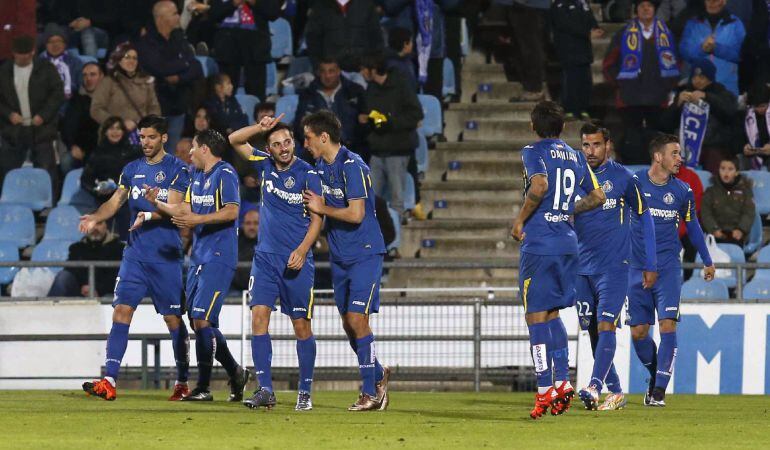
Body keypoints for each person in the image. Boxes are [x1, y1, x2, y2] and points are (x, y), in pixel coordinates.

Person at [79, 115, 191, 402]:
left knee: (173, 319)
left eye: (151, 137)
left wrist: (153, 208)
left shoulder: (178, 169)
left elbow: (178, 209)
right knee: (121, 310)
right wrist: (95, 216)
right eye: (142, 137)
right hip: (135, 255)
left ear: (164, 137)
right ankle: (109, 380)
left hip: (165, 256)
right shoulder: (131, 169)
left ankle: (182, 381)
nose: (145, 142)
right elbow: (116, 201)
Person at [510, 101, 606, 419]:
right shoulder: (576, 156)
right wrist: (569, 211)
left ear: (533, 126)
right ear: (563, 127)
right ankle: (563, 382)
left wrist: (521, 220)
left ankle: (543, 390)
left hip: (540, 245)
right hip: (568, 245)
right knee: (552, 315)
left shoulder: (532, 151)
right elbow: (597, 195)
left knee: (535, 317)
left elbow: (539, 184)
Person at [143, 128, 250, 402]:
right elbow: (185, 212)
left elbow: (232, 210)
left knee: (202, 319)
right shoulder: (197, 178)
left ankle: (203, 387)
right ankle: (236, 372)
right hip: (198, 257)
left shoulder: (225, 174)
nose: (189, 153)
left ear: (205, 149)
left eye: (192, 147)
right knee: (199, 321)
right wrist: (159, 203)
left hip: (219, 257)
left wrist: (197, 222)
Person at [229, 119, 323, 411]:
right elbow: (234, 139)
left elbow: (319, 217)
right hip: (265, 260)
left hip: (297, 261)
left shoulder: (308, 174)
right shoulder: (264, 164)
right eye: (276, 144)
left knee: (301, 326)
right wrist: (259, 127)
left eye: (287, 142)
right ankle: (265, 389)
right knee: (259, 318)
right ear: (268, 149)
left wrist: (303, 249)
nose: (283, 148)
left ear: (293, 143)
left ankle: (304, 392)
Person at [300, 110, 391, 411]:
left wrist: (322, 207)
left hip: (364, 252)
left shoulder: (353, 166)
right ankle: (378, 375)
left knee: (356, 319)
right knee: (349, 325)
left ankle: (370, 392)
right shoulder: (319, 167)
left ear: (323, 137)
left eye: (309, 137)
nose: (305, 143)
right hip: (340, 255)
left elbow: (356, 213)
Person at [573, 123, 658, 411]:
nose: (591, 151)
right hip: (581, 269)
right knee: (594, 332)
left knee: (607, 324)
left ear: (607, 145)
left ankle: (594, 387)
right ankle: (617, 391)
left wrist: (650, 262)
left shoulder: (623, 177)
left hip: (614, 267)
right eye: (586, 145)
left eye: (596, 145)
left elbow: (644, 217)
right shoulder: (573, 178)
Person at [627, 133, 715, 407]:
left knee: (667, 324)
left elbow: (694, 227)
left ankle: (659, 391)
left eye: (679, 153)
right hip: (636, 267)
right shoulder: (634, 184)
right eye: (674, 153)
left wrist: (707, 259)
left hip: (667, 267)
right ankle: (656, 375)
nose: (680, 158)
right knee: (639, 332)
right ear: (658, 156)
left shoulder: (683, 190)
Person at [603, 0, 680, 164]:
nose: (646, 9)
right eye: (642, 6)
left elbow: (677, 63)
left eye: (649, 6)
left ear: (655, 9)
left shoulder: (667, 34)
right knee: (631, 142)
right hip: (629, 99)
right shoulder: (623, 33)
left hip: (657, 100)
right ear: (636, 10)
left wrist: (667, 86)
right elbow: (609, 64)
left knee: (656, 145)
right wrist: (621, 85)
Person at [360, 53, 424, 220]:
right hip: (377, 150)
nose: (361, 74)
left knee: (397, 199)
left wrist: (389, 121)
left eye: (363, 70)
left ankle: (396, 236)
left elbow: (415, 114)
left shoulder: (401, 85)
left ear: (373, 70)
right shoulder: (371, 88)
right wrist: (368, 120)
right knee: (370, 197)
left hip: (398, 150)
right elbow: (372, 115)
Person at [136, 0, 204, 154]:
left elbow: (197, 68)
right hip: (156, 109)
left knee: (171, 156)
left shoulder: (179, 38)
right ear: (161, 19)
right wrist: (184, 64)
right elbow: (161, 68)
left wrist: (179, 77)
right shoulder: (147, 43)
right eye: (174, 13)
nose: (178, 16)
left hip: (178, 107)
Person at [0, 35, 63, 192]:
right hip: (13, 131)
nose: (24, 58)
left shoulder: (46, 68)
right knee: (7, 171)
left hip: (42, 130)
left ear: (33, 52)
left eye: (27, 54)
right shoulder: (3, 71)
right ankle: (7, 204)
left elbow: (57, 94)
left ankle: (48, 206)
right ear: (14, 53)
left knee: (46, 170)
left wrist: (43, 115)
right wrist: (9, 114)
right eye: (20, 55)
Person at [660, 58, 738, 173]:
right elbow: (665, 124)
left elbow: (729, 113)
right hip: (684, 146)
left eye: (702, 77)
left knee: (715, 158)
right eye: (695, 77)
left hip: (712, 146)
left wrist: (707, 97)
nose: (698, 80)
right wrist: (677, 104)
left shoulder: (721, 92)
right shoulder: (683, 93)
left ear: (710, 79)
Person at [294, 57, 367, 160]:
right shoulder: (308, 94)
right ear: (318, 73)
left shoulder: (355, 92)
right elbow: (299, 126)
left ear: (338, 72)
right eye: (323, 71)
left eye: (331, 71)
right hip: (317, 156)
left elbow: (364, 124)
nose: (327, 76)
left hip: (351, 152)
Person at [208, 0, 282, 100]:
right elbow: (213, 14)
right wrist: (233, 3)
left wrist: (254, 2)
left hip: (256, 49)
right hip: (228, 48)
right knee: (225, 94)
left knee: (257, 94)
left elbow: (273, 12)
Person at [90, 42, 161, 133]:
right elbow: (96, 109)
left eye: (134, 58)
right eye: (127, 57)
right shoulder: (108, 82)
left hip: (141, 134)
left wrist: (146, 124)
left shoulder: (146, 81)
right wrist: (118, 123)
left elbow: (154, 107)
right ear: (118, 59)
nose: (131, 61)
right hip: (115, 134)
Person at [550, 0, 604, 120]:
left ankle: (584, 108)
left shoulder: (583, 3)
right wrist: (587, 33)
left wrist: (596, 27)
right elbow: (565, 24)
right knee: (571, 81)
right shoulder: (559, 5)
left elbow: (590, 18)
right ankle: (570, 109)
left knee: (585, 81)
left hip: (584, 50)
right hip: (568, 50)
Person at [679, 0, 745, 96]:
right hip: (696, 88)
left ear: (724, 1)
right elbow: (684, 52)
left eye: (715, 0)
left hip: (726, 89)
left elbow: (742, 54)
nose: (711, 3)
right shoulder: (692, 23)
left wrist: (716, 48)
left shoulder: (735, 23)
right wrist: (702, 49)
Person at [47, 220, 125, 298]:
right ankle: (48, 308)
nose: (94, 228)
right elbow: (71, 270)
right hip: (81, 290)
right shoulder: (76, 248)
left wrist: (98, 290)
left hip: (108, 292)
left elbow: (117, 275)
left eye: (98, 223)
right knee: (63, 277)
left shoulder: (119, 248)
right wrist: (85, 287)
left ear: (106, 226)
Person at [304, 0, 384, 72]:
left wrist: (371, 65)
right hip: (331, 73)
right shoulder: (320, 8)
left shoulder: (367, 6)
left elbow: (376, 40)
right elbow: (313, 42)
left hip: (362, 70)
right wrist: (319, 67)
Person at [80, 117, 142, 204]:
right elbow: (85, 180)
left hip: (128, 200)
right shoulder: (98, 153)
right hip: (105, 201)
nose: (115, 132)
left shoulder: (134, 152)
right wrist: (97, 190)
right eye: (111, 128)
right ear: (105, 132)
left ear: (123, 132)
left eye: (118, 128)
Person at [700, 157, 755, 245]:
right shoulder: (710, 191)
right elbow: (706, 213)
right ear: (718, 170)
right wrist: (714, 229)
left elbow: (749, 213)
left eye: (730, 169)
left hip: (737, 234)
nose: (726, 172)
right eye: (723, 168)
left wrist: (741, 230)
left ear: (736, 172)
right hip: (716, 233)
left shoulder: (745, 191)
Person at [61, 62, 104, 170]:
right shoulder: (76, 99)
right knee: (66, 161)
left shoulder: (111, 98)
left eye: (92, 74)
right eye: (85, 75)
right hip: (82, 149)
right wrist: (72, 146)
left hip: (106, 147)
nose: (88, 78)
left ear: (102, 76)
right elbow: (67, 126)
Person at [38, 26, 83, 101]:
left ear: (65, 44)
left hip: (70, 102)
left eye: (59, 41)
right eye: (51, 42)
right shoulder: (38, 63)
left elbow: (81, 86)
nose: (55, 45)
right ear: (45, 45)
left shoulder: (76, 62)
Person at [742, 81, 770, 169]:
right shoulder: (747, 115)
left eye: (763, 106)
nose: (760, 109)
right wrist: (744, 147)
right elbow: (740, 136)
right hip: (754, 157)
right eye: (756, 107)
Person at [231, 208, 259, 291]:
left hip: (260, 289)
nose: (252, 227)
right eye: (248, 223)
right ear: (242, 224)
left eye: (256, 223)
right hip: (235, 288)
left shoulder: (267, 241)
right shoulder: (234, 240)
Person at [385, 27, 417, 92]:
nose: (412, 44)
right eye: (411, 41)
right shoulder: (392, 66)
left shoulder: (407, 59)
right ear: (405, 44)